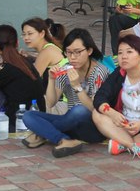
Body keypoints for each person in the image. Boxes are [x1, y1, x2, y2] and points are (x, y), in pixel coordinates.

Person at [22, 29, 110, 157]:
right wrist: (51, 80)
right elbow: (51, 102)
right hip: (69, 125)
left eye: (78, 52)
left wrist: (76, 86)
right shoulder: (66, 69)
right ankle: (64, 140)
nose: (73, 57)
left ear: (89, 51)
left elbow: (94, 109)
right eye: (68, 53)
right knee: (28, 116)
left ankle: (43, 133)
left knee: (79, 110)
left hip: (93, 128)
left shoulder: (100, 72)